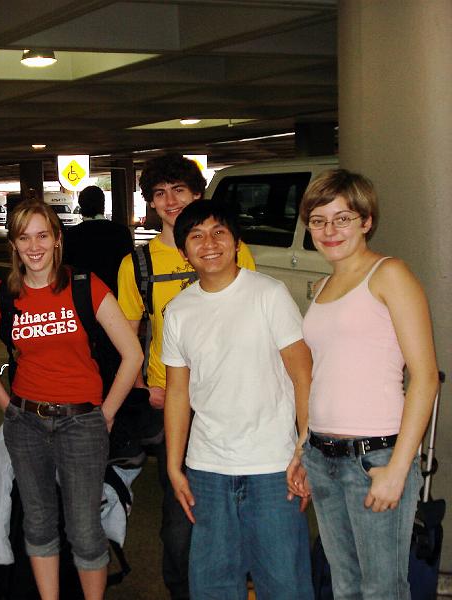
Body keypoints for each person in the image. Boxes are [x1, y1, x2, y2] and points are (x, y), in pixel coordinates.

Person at [0, 200, 143, 600]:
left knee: (84, 528)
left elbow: (132, 353)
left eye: (42, 235)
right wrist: (8, 407)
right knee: (39, 522)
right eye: (24, 237)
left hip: (81, 422)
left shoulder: (84, 285)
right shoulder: (5, 295)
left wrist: (108, 413)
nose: (34, 246)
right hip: (25, 423)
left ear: (57, 239)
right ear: (13, 244)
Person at [115, 153, 255, 600]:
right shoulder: (137, 263)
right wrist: (142, 386)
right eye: (160, 193)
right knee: (181, 515)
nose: (170, 200)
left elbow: (251, 323)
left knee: (236, 505)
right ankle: (184, 590)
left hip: (227, 403)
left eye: (179, 190)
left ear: (197, 193)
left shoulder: (234, 249)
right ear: (151, 204)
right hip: (171, 403)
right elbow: (127, 336)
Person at [294, 169, 438, 599]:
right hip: (322, 456)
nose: (329, 230)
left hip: (375, 456)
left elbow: (426, 377)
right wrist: (302, 447)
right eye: (318, 220)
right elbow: (324, 374)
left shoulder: (389, 273)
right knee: (345, 585)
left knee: (382, 589)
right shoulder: (321, 286)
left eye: (342, 218)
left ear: (366, 221)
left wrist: (398, 468)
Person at [162, 200, 313, 599]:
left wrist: (304, 447)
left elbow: (303, 374)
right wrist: (175, 466)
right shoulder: (178, 311)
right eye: (195, 236)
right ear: (183, 251)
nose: (208, 243)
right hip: (207, 470)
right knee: (212, 586)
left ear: (236, 241)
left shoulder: (269, 294)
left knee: (285, 584)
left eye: (218, 232)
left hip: (273, 467)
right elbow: (177, 393)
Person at [63, 185, 133, 295]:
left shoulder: (71, 235)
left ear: (81, 205)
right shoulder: (121, 232)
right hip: (116, 295)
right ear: (103, 204)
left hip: (82, 297)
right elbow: (130, 268)